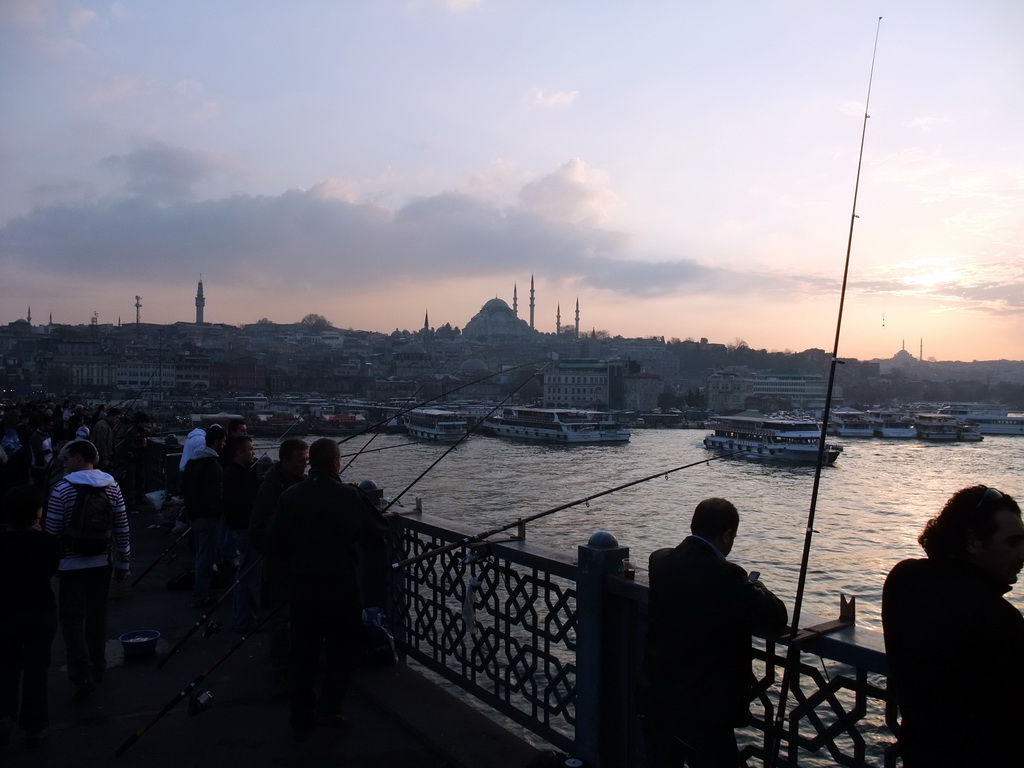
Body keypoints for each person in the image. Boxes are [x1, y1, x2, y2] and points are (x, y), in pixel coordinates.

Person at [638, 497, 788, 768]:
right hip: (703, 709)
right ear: (727, 535)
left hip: (658, 696)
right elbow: (776, 615)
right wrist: (758, 587)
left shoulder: (659, 561)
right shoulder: (727, 575)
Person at [882, 485, 1024, 768]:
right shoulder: (996, 616)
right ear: (972, 542)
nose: (1022, 554)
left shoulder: (904, 579)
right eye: (1012, 542)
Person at [267, 438, 387, 742]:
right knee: (342, 651)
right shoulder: (350, 496)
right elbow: (376, 540)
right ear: (335, 461)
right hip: (339, 587)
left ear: (311, 462)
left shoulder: (290, 496)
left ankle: (300, 716)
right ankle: (329, 708)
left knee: (303, 653)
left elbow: (276, 543)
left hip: (303, 589)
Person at [44, 440, 130, 704]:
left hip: (70, 566)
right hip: (101, 563)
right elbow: (122, 527)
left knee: (71, 621)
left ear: (80, 457)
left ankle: (81, 674)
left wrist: (50, 566)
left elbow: (51, 533)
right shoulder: (112, 485)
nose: (64, 463)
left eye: (67, 458)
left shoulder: (62, 489)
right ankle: (98, 666)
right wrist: (123, 563)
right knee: (97, 617)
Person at [0, 485, 61, 748]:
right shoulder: (49, 543)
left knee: (6, 667)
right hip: (41, 612)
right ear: (38, 512)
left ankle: (4, 715)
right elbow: (52, 570)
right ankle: (35, 726)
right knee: (37, 671)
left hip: (5, 613)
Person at [249, 438, 308, 681]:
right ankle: (282, 666)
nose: (304, 466)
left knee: (299, 616)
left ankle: (297, 660)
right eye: (300, 461)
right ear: (284, 461)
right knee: (281, 617)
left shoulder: (298, 483)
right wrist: (280, 548)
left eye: (306, 461)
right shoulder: (270, 489)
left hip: (299, 565)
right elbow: (257, 532)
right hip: (281, 564)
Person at [182, 424, 226, 609]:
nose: (224, 445)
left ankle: (200, 593)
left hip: (193, 515)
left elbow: (183, 485)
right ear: (216, 442)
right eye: (223, 442)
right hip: (208, 518)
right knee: (206, 559)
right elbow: (215, 495)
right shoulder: (212, 466)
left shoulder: (193, 461)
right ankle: (201, 596)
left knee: (200, 555)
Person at [221, 435, 261, 633]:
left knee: (244, 574)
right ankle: (246, 621)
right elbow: (251, 502)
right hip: (245, 530)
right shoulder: (237, 476)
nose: (253, 453)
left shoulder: (231, 472)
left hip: (237, 529)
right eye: (250, 450)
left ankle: (242, 617)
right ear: (239, 452)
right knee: (249, 578)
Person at [90, 407, 120, 472]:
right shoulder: (103, 426)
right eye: (117, 417)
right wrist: (104, 458)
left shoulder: (107, 426)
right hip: (99, 458)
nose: (118, 420)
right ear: (111, 416)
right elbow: (101, 443)